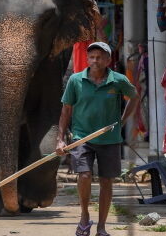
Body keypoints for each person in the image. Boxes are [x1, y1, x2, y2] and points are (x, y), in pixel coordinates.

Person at [56, 42, 138, 236]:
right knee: (84, 175)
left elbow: (134, 97)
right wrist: (60, 139)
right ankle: (84, 216)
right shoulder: (76, 80)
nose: (95, 60)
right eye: (92, 57)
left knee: (106, 181)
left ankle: (101, 226)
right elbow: (66, 110)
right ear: (87, 59)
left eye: (99, 57)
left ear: (108, 60)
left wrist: (122, 121)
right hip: (82, 138)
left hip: (110, 139)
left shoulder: (118, 80)